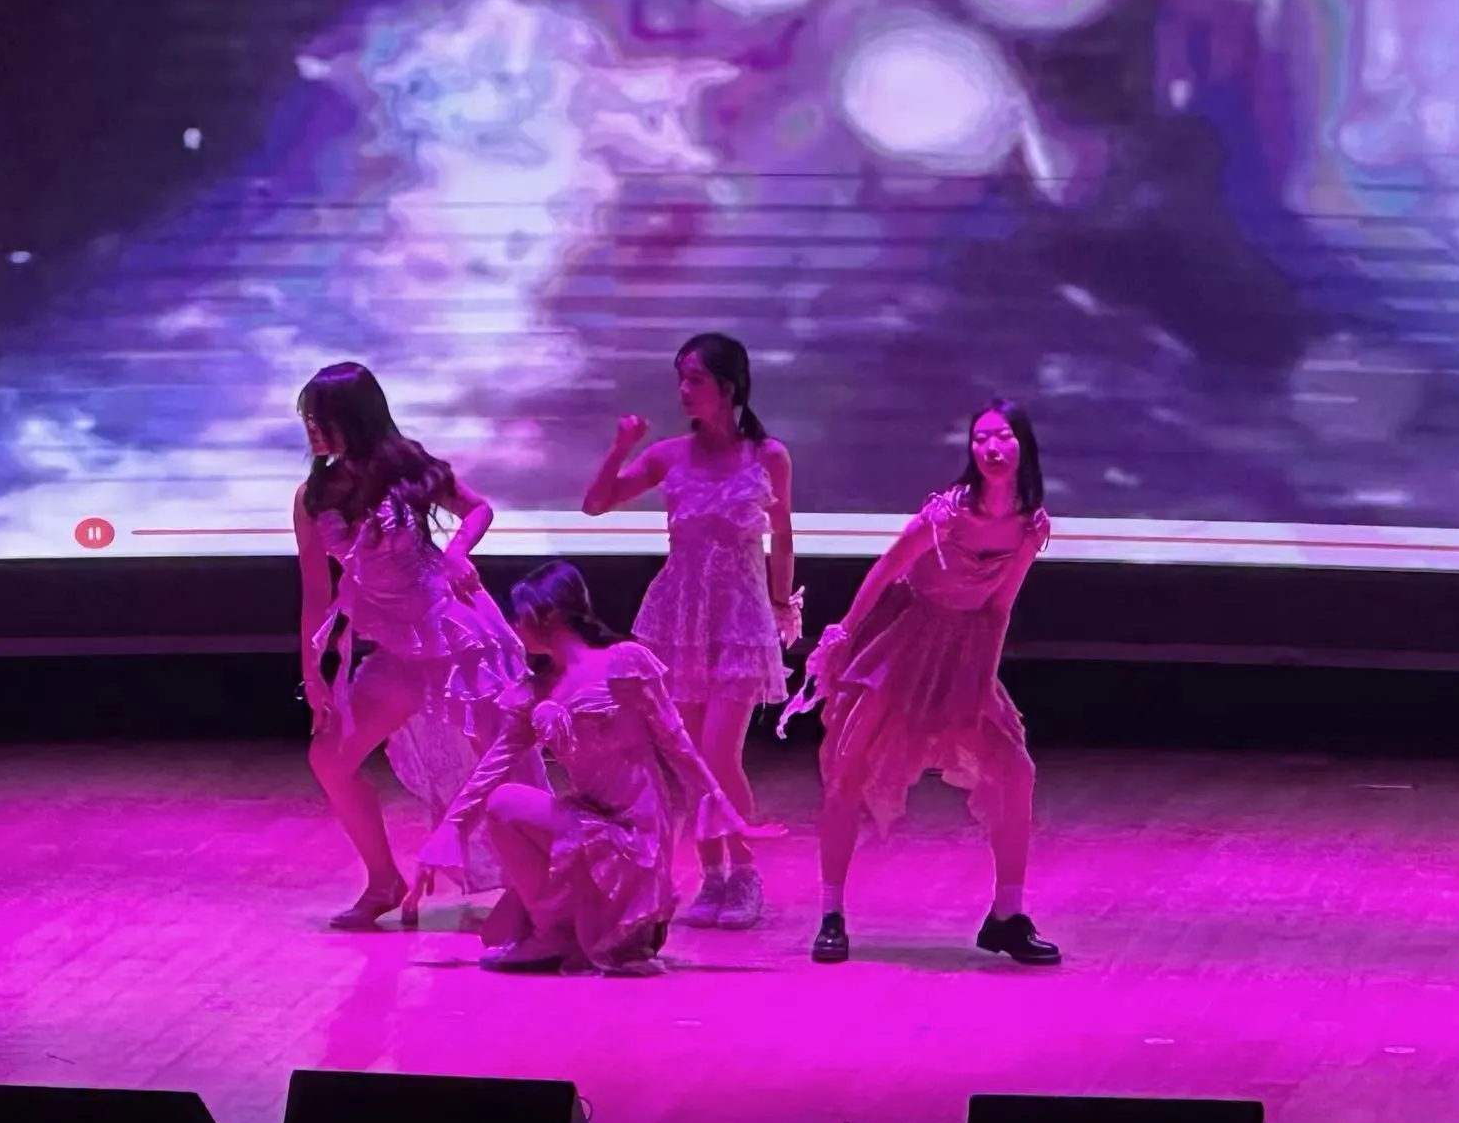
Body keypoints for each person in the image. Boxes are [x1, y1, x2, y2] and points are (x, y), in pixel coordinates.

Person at [790, 397, 1059, 967]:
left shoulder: (1030, 526)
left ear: (1023, 445)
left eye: (1002, 436)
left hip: (964, 653)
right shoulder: (945, 515)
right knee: (847, 769)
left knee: (1015, 771)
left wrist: (981, 680)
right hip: (903, 644)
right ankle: (831, 914)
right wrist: (843, 634)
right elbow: (886, 570)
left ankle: (1007, 915)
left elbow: (999, 607)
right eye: (980, 437)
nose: (990, 447)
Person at [413, 562, 753, 975]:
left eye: (522, 615)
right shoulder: (538, 690)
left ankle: (575, 927)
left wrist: (718, 803)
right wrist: (451, 827)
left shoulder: (623, 663)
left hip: (636, 836)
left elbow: (676, 743)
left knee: (506, 805)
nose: (517, 626)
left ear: (551, 614)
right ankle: (554, 930)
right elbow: (494, 764)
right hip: (589, 821)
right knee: (503, 804)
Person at [294, 360, 528, 930]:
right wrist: (315, 676)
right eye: (308, 420)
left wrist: (457, 553)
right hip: (397, 651)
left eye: (323, 418)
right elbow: (316, 594)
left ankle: (534, 888)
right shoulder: (313, 496)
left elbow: (478, 508)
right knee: (329, 757)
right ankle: (383, 881)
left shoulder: (406, 466)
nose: (314, 429)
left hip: (455, 638)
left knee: (499, 765)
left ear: (355, 416)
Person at [581, 331, 798, 930]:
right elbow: (595, 504)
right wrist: (620, 448)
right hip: (681, 616)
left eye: (695, 378)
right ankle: (711, 876)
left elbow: (782, 538)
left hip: (740, 616)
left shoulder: (768, 456)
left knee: (718, 755)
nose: (683, 389)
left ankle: (745, 872)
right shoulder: (669, 455)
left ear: (728, 385)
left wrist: (781, 605)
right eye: (681, 377)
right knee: (689, 758)